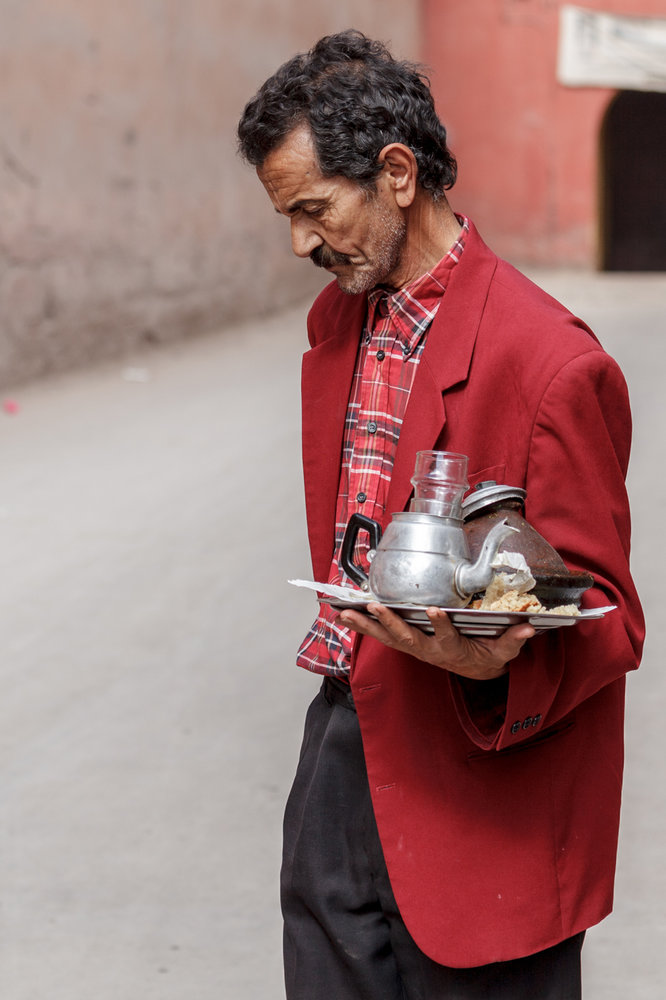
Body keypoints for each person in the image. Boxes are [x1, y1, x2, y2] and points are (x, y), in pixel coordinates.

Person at [237, 30, 644, 1000]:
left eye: (312, 210)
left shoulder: (548, 361)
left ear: (396, 174)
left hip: (483, 789)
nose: (300, 242)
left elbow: (612, 621)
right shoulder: (339, 323)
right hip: (343, 751)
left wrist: (485, 667)